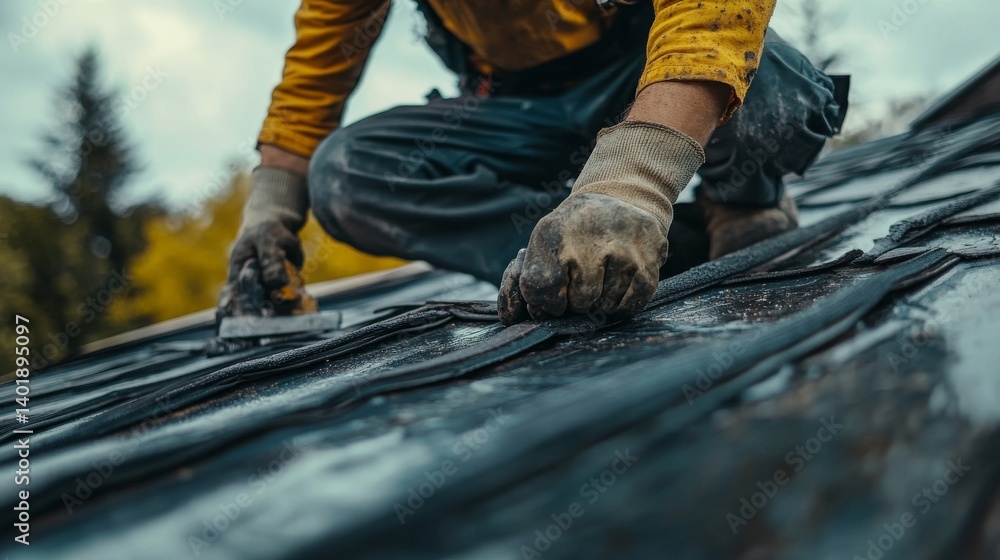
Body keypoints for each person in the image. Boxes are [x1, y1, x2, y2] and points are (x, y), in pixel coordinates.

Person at [220, 0, 846, 326]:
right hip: (518, 109)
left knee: (770, 91)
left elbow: (710, 18)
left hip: (650, 70)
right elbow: (314, 74)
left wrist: (634, 182)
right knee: (348, 175)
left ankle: (739, 202)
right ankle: (585, 259)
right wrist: (270, 213)